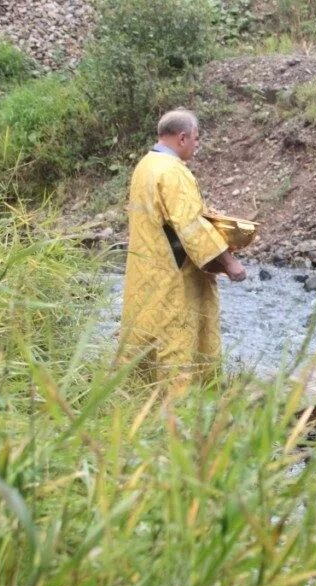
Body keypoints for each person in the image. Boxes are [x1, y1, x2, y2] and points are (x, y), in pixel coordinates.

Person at [119, 108, 247, 393]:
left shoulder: (146, 165)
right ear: (182, 138)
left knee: (145, 332)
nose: (197, 145)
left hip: (146, 269)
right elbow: (190, 225)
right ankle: (180, 411)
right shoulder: (173, 172)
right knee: (176, 340)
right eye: (197, 139)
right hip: (175, 274)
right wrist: (229, 262)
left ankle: (138, 400)